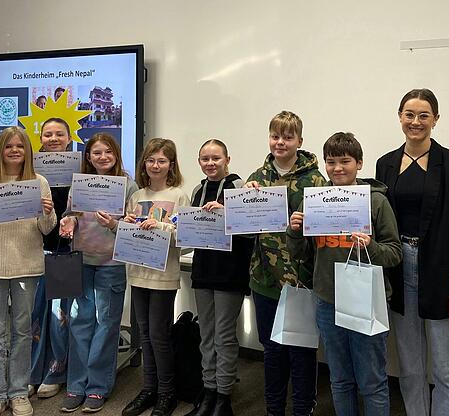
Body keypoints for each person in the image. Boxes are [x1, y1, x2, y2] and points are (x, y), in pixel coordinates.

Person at [375, 88, 449, 416]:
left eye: (423, 115)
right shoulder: (385, 164)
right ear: (399, 116)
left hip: (441, 269)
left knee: (447, 368)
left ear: (435, 119)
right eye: (409, 115)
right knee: (410, 364)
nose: (415, 122)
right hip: (399, 265)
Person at [287, 132, 401, 416]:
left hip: (366, 300)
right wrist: (294, 231)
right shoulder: (314, 201)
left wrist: (370, 246)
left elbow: (395, 253)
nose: (337, 168)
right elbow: (300, 254)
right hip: (326, 300)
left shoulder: (376, 202)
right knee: (340, 379)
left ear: (360, 163)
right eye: (331, 162)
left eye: (345, 161)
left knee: (372, 381)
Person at [0, 127, 56, 416]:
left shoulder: (38, 181)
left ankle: (18, 392)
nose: (15, 150)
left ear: (27, 151)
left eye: (20, 146)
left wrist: (48, 212)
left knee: (22, 331)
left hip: (27, 264)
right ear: (0, 150)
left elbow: (46, 229)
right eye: (8, 146)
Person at [244, 111, 326, 416]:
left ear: (299, 141)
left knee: (302, 350)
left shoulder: (315, 179)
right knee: (273, 350)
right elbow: (243, 229)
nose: (281, 142)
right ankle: (274, 409)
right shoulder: (256, 178)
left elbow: (323, 230)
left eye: (288, 137)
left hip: (302, 279)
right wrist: (244, 201)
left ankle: (304, 409)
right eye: (276, 136)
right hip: (264, 278)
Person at [58, 133, 138, 413]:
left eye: (107, 152)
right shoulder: (79, 184)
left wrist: (116, 223)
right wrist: (67, 221)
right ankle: (76, 385)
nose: (102, 157)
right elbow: (69, 215)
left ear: (115, 154)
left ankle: (96, 387)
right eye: (96, 153)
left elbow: (135, 226)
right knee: (80, 323)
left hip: (111, 264)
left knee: (106, 325)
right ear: (88, 157)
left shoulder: (129, 186)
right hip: (82, 260)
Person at [179, 139, 254, 416]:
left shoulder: (238, 187)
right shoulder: (198, 189)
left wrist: (228, 213)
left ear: (227, 159)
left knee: (224, 336)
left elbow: (251, 228)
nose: (210, 163)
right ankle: (208, 392)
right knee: (206, 335)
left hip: (230, 272)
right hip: (203, 269)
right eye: (205, 159)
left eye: (216, 158)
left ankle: (224, 397)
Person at [120, 138, 189, 416]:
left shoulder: (179, 196)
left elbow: (185, 239)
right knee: (145, 335)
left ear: (171, 165)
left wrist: (159, 226)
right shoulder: (136, 197)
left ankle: (167, 393)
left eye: (161, 160)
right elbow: (127, 235)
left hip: (164, 275)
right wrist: (124, 225)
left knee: (160, 335)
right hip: (137, 273)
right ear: (144, 164)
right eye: (151, 160)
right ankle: (148, 389)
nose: (155, 165)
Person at [29, 118, 75, 398]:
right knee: (34, 316)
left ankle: (56, 372)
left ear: (69, 139)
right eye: (48, 134)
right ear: (41, 138)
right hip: (33, 249)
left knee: (60, 316)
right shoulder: (29, 171)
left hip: (66, 250)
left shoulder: (80, 169)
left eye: (60, 134)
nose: (54, 138)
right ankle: (33, 372)